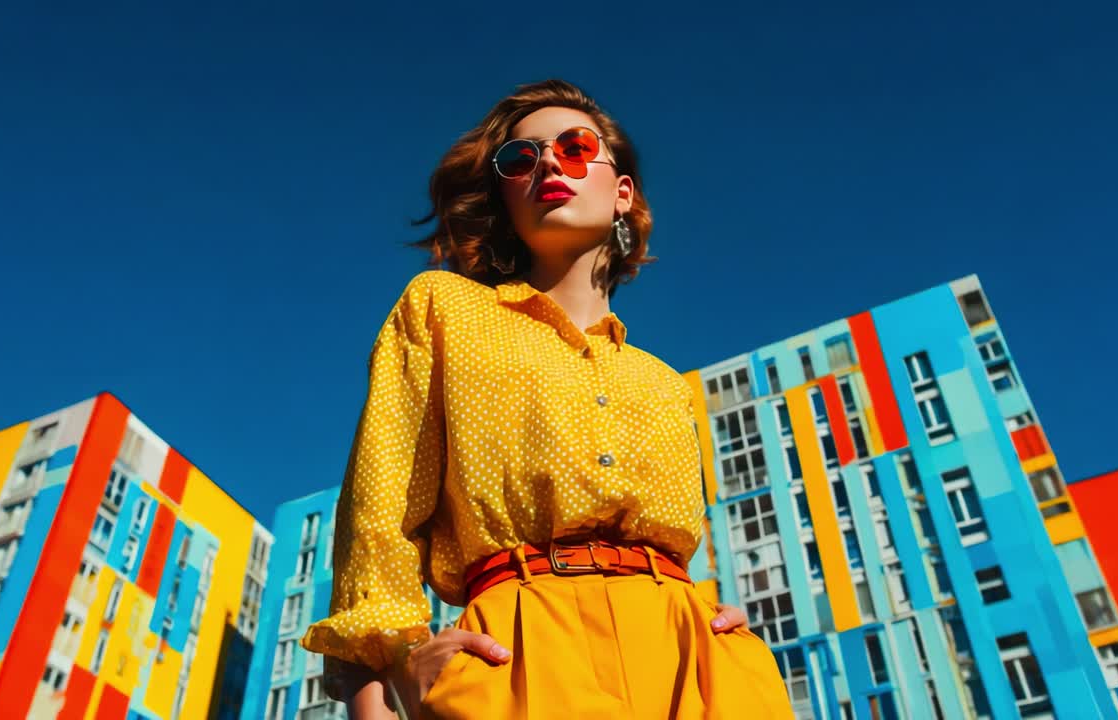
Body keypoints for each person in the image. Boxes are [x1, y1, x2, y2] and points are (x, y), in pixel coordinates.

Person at [302, 79, 794, 720]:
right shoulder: (442, 310)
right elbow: (382, 503)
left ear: (623, 193)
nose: (549, 165)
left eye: (575, 147)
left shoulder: (665, 383)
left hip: (695, 658)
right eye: (521, 159)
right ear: (505, 197)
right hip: (519, 647)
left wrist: (716, 624)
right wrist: (381, 681)